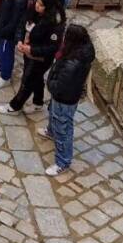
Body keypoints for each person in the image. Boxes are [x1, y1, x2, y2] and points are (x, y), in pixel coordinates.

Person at [0, 0, 64, 115]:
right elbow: (22, 25)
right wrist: (19, 40)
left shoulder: (54, 24)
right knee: (36, 79)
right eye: (37, 2)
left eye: (41, 5)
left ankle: (14, 106)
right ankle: (38, 102)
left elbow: (53, 47)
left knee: (27, 81)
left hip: (40, 58)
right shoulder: (32, 11)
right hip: (27, 52)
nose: (37, 6)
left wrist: (31, 49)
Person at [42, 23, 95, 175]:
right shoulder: (82, 51)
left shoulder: (73, 62)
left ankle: (62, 162)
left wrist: (50, 84)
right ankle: (50, 131)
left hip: (64, 98)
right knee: (58, 118)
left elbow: (61, 85)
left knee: (63, 129)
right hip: (68, 96)